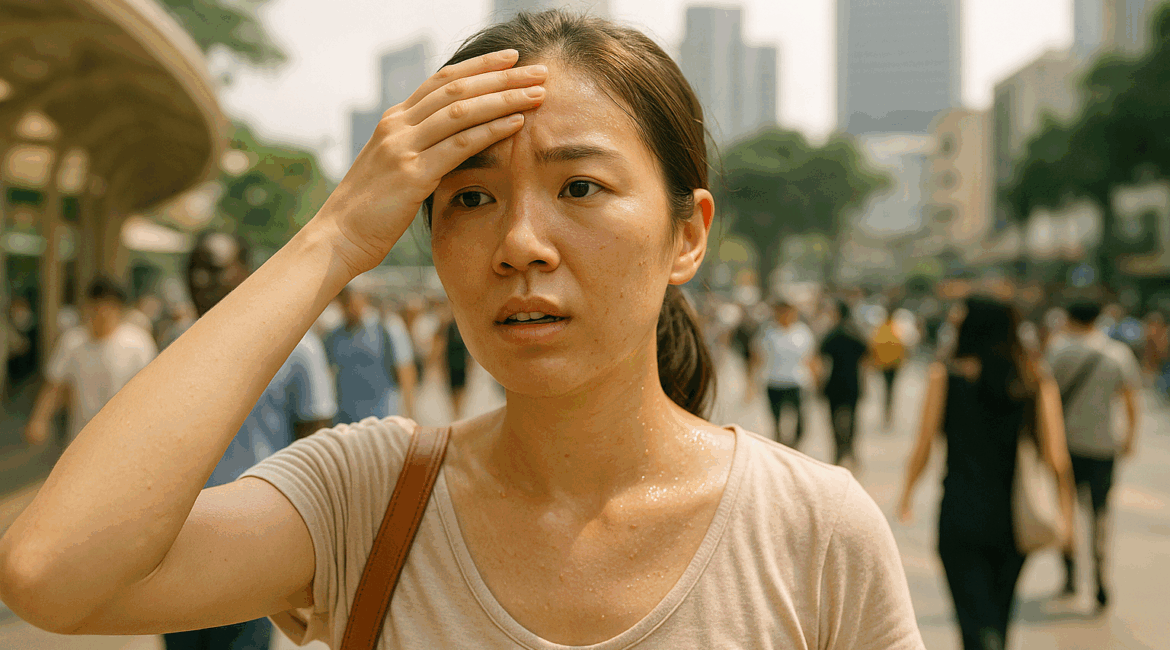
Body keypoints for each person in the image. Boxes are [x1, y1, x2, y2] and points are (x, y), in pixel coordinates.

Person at [0, 11, 924, 649]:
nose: (521, 243)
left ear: (688, 234)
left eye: (580, 188)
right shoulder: (366, 498)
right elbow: (52, 573)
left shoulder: (813, 529)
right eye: (471, 198)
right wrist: (328, 240)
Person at [162, 230, 338, 650]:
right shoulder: (173, 342)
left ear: (247, 272)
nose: (201, 280)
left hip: (249, 539)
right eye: (194, 269)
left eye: (215, 269)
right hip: (177, 538)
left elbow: (314, 449)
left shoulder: (296, 347)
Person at [898, 296, 1076, 650]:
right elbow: (1057, 458)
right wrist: (1067, 517)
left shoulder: (943, 377)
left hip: (959, 514)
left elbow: (924, 446)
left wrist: (907, 495)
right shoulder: (1035, 379)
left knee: (972, 620)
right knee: (999, 615)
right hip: (1012, 519)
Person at [1047, 299, 1142, 610]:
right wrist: (1129, 437)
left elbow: (1043, 401)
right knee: (1100, 512)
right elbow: (1130, 399)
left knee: (1067, 510)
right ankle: (1100, 576)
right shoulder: (1118, 354)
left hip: (1064, 447)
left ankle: (1070, 574)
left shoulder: (1057, 352)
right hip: (1103, 446)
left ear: (1069, 318)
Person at [23, 277, 157, 448]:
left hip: (126, 439)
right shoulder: (72, 342)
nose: (101, 312)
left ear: (119, 309)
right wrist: (39, 419)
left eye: (108, 306)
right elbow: (55, 385)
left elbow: (151, 389)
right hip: (81, 437)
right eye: (96, 305)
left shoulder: (138, 343)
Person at [324, 286, 417, 423]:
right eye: (343, 300)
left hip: (383, 417)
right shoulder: (335, 336)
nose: (348, 304)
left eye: (350, 298)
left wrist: (410, 414)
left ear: (362, 296)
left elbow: (405, 369)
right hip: (346, 420)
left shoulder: (388, 327)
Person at [815, 300, 869, 468]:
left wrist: (818, 383)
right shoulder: (857, 333)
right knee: (853, 419)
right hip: (853, 382)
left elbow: (821, 359)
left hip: (834, 383)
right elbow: (866, 359)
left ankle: (838, 452)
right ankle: (850, 451)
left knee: (833, 419)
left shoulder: (831, 333)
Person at [757, 300, 815, 448]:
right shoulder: (769, 332)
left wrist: (816, 379)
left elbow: (811, 358)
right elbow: (758, 356)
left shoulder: (802, 332)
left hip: (797, 381)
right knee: (776, 419)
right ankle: (780, 444)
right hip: (775, 381)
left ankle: (795, 444)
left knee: (800, 419)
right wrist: (751, 383)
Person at [870, 309, 905, 430]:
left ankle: (887, 410)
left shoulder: (881, 329)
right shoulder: (896, 329)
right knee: (890, 388)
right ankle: (888, 410)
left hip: (884, 364)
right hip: (894, 365)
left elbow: (874, 345)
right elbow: (903, 346)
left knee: (886, 388)